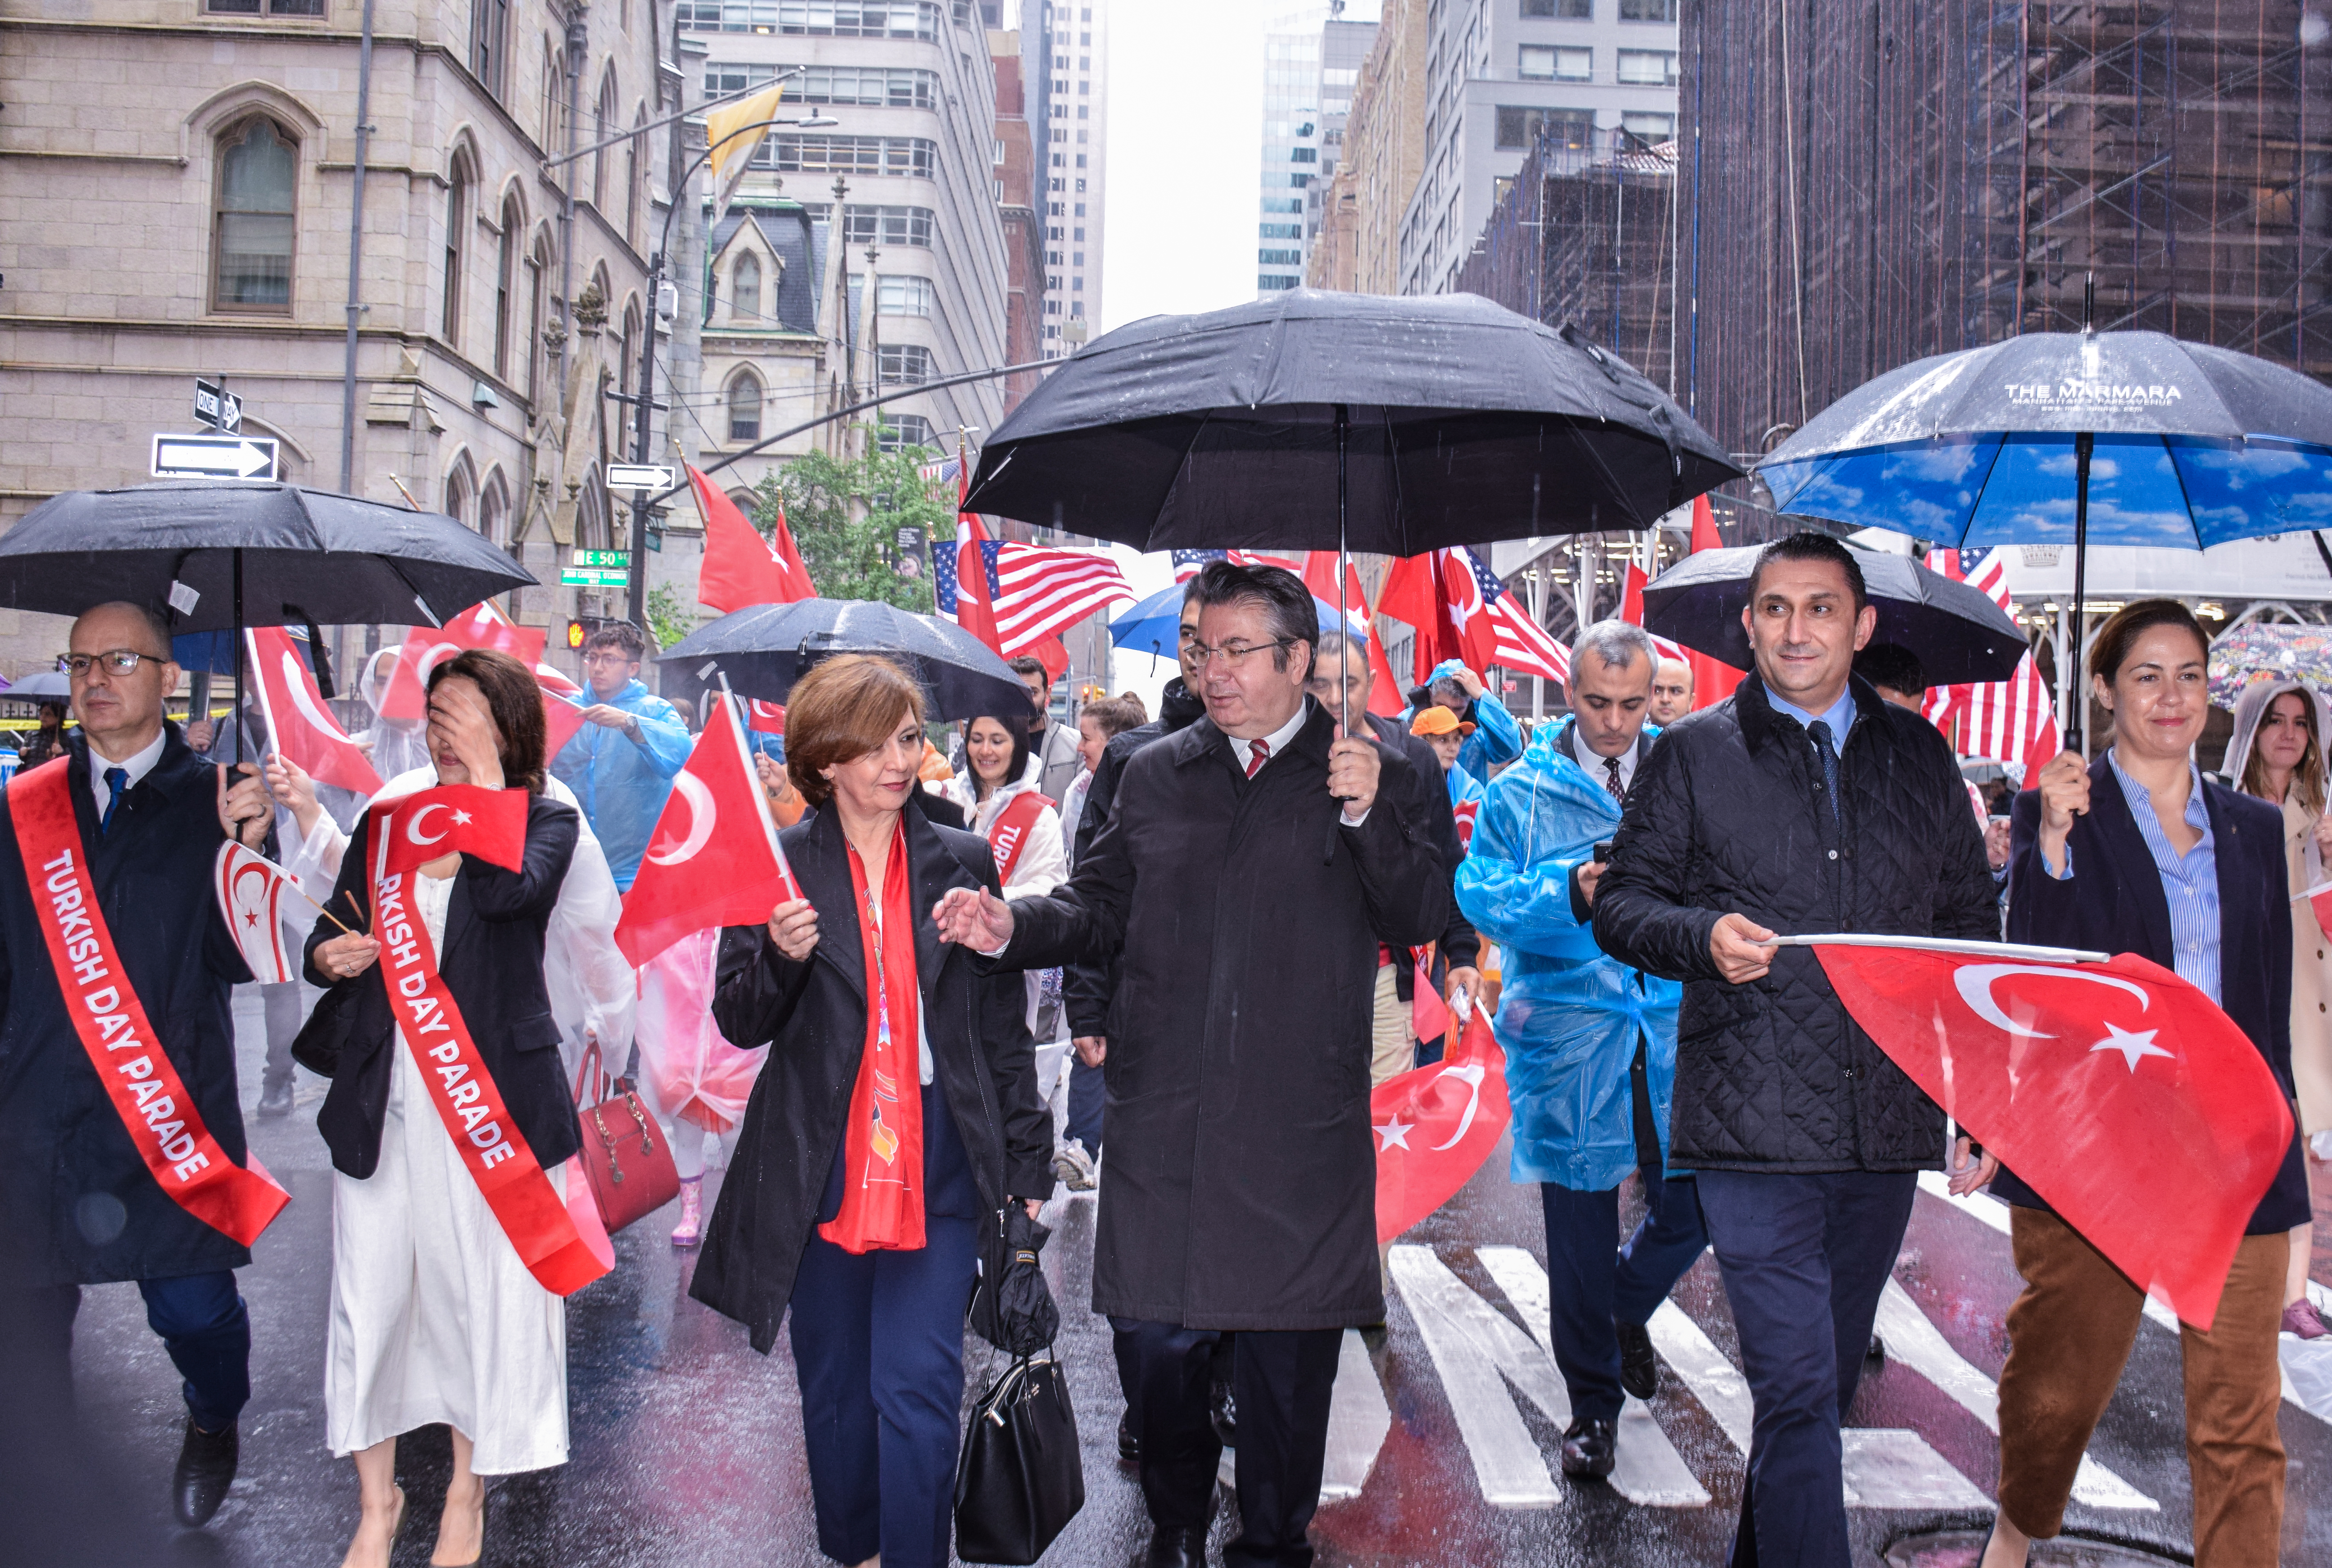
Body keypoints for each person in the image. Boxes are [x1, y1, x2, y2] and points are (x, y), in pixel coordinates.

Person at [933, 561, 1450, 1568]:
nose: (1211, 671)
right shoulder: (1152, 770)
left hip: (1298, 1131)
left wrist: (1365, 816)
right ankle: (1173, 1523)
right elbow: (1094, 909)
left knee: (1283, 1370)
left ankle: (1269, 1540)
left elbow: (1419, 915)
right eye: (1198, 648)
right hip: (1164, 1116)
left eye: (1235, 650)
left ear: (1298, 661)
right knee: (1155, 1350)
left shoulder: (1381, 768)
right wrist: (1010, 926)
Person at [1592, 533, 1998, 1568]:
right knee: (1799, 1389)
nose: (1794, 628)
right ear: (1749, 624)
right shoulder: (1692, 753)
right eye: (1773, 608)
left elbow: (1966, 939)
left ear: (1860, 627)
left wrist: (1984, 1103)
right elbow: (1625, 905)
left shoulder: (1919, 757)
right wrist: (1699, 937)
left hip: (1881, 1128)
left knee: (1805, 1396)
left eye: (1818, 608)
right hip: (1748, 1124)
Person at [688, 655, 1049, 1568]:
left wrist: (1027, 1164)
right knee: (837, 1392)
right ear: (827, 759)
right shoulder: (776, 866)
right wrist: (776, 958)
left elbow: (998, 1029)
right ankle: (855, 1552)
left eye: (909, 738)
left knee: (917, 1388)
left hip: (936, 1163)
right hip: (821, 1161)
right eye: (880, 742)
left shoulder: (961, 858)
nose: (902, 759)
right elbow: (738, 1020)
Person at [1982, 604, 2314, 1568]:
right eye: (2145, 676)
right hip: (2098, 1149)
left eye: (2188, 675)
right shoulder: (2058, 809)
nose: (2170, 697)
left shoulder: (2255, 828)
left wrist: (2284, 1145)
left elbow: (2264, 993)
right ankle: (2013, 1533)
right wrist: (2046, 831)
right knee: (2057, 1387)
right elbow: (2034, 980)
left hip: (2235, 1144)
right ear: (2101, 689)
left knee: (2238, 1421)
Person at [303, 649, 582, 1568]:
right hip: (386, 1093)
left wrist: (490, 784)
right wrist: (331, 957)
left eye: (462, 712)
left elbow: (510, 896)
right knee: (369, 1298)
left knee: (478, 1301)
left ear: (506, 724)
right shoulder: (387, 822)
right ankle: (375, 1503)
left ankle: (466, 1490)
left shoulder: (544, 816)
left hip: (487, 1100)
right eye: (434, 713)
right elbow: (328, 934)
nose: (442, 730)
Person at [0, 602, 275, 1530]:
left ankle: (213, 1415)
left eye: (119, 658)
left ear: (168, 677)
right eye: (80, 661)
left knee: (194, 1310)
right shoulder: (25, 807)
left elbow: (248, 962)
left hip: (167, 1108)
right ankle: (44, 1495)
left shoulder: (221, 800)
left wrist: (250, 854)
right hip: (37, 1109)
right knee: (26, 1329)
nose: (93, 678)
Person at [1458, 620, 1706, 1480]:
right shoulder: (1518, 793)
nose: (1615, 722)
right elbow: (1479, 894)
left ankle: (1618, 1311)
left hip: (1676, 1024)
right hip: (1568, 1036)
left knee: (1697, 1202)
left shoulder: (1688, 773)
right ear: (1568, 691)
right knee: (1576, 1229)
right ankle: (1591, 1406)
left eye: (1632, 704)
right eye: (1598, 702)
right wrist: (1566, 889)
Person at [1308, 627, 1482, 1083]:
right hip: (1302, 984)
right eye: (1319, 683)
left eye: (1346, 682)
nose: (1333, 696)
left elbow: (1445, 861)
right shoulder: (1286, 759)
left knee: (1380, 1137)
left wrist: (1461, 954)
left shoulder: (1411, 758)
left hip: (1390, 979)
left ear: (1369, 681)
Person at [2223, 677, 2332, 1338]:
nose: (2289, 734)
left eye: (2300, 723)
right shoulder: (2218, 806)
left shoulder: (2319, 809)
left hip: (2305, 995)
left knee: (2290, 1145)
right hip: (2243, 988)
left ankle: (2292, 1294)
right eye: (2274, 721)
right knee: (2241, 1140)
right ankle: (2230, 1271)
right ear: (2252, 731)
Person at [1053, 695, 1147, 1191]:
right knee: (1090, 1042)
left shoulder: (1155, 785)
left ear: (1116, 743)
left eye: (1087, 737)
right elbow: (1084, 880)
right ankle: (1083, 1144)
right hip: (1096, 940)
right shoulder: (1078, 794)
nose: (1080, 746)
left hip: (1146, 953)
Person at [549, 621, 691, 891]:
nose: (598, 667)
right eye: (593, 658)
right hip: (571, 863)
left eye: (610, 659)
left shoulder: (655, 710)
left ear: (633, 668)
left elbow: (679, 754)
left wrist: (630, 724)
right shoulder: (568, 710)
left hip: (635, 870)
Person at [1856, 641, 2013, 879]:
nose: (1900, 733)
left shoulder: (1940, 784)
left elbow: (1960, 893)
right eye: (1888, 718)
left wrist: (1987, 861)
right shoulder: (1818, 768)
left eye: (1912, 719)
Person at [1409, 659, 1523, 786]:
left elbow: (1511, 749)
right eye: (1441, 706)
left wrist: (1483, 696)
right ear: (1431, 695)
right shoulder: (1406, 723)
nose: (1449, 714)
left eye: (1458, 709)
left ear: (1468, 703)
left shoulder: (1480, 731)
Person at [1009, 654, 1085, 800]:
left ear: (1048, 693)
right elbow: (977, 807)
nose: (1025, 700)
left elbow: (1083, 805)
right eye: (1018, 692)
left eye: (1032, 692)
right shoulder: (991, 745)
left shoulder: (1076, 745)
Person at [355, 644, 432, 784]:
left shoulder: (450, 753)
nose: (392, 692)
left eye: (404, 682)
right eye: (383, 683)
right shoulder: (355, 748)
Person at [16, 701, 68, 769]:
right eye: (41, 714)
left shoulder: (65, 737)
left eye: (48, 714)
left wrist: (62, 753)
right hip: (31, 775)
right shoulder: (31, 734)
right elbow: (25, 758)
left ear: (58, 718)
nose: (43, 717)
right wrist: (22, 753)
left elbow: (72, 760)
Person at [1649, 657, 1695, 726]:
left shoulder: (1706, 736)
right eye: (1657, 691)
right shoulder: (1630, 735)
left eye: (1675, 691)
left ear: (1691, 701)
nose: (1665, 699)